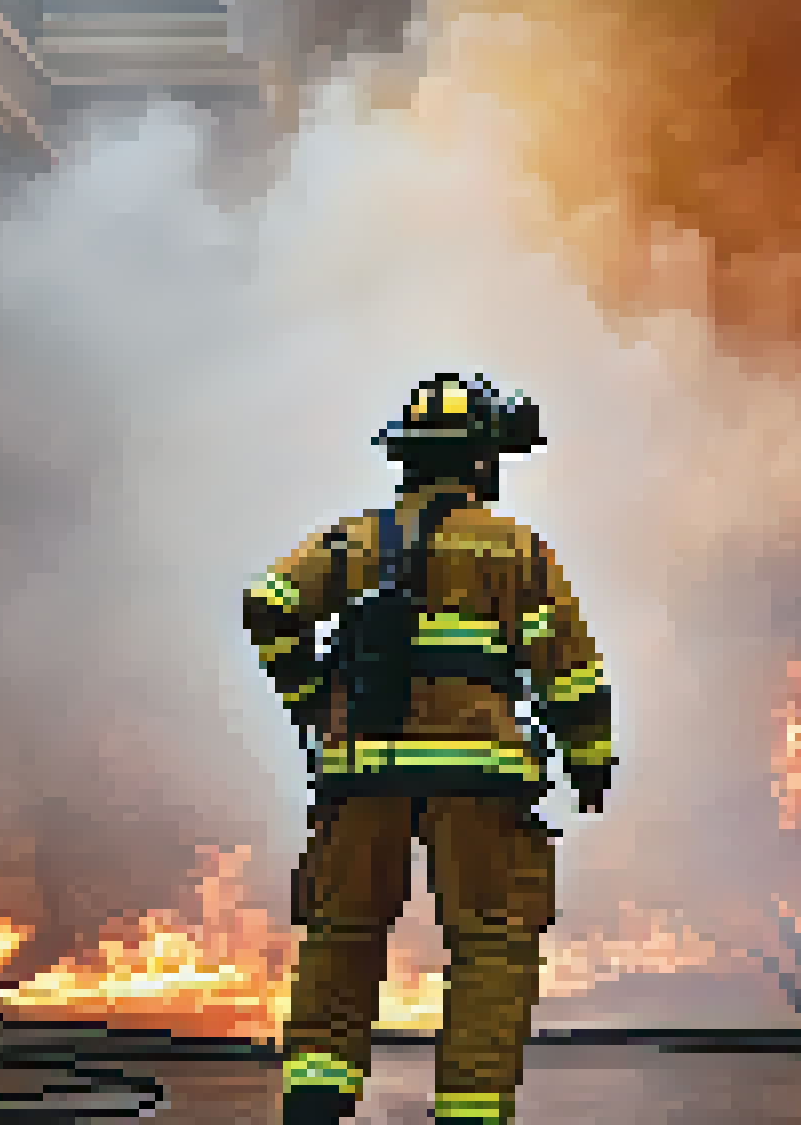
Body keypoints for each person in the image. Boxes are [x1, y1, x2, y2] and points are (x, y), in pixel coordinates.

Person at [245, 374, 615, 1125]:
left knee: (340, 934)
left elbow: (270, 603)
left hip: (362, 776)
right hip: (480, 780)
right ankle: (470, 1110)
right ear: (481, 462)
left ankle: (316, 1098)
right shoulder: (514, 551)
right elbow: (568, 670)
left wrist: (312, 694)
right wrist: (588, 758)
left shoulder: (352, 543)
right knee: (491, 944)